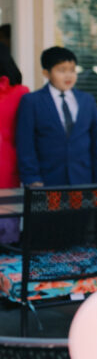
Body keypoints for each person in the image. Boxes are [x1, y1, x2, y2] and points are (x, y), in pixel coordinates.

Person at [16, 46, 97, 189]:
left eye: (72, 70)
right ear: (46, 73)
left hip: (83, 179)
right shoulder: (32, 101)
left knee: (82, 212)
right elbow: (25, 144)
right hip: (48, 181)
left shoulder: (87, 100)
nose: (69, 76)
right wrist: (32, 177)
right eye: (61, 70)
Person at [0, 46, 28, 243]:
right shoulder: (22, 92)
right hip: (11, 160)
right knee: (9, 215)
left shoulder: (21, 93)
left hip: (9, 162)